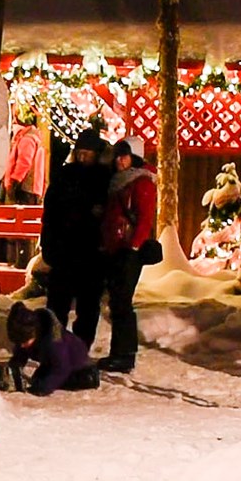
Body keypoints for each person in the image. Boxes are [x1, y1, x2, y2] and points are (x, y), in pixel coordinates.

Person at [38, 128, 111, 344]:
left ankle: (80, 347)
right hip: (64, 249)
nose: (82, 157)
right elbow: (50, 212)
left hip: (91, 252)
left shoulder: (103, 178)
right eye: (80, 152)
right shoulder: (64, 175)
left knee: (88, 306)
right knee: (57, 303)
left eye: (87, 153)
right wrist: (48, 245)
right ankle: (53, 344)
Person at [96, 136, 158, 375]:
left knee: (122, 302)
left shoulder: (141, 183)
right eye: (118, 156)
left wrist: (134, 246)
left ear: (135, 157)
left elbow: (145, 218)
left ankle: (125, 354)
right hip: (115, 248)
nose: (119, 161)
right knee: (117, 301)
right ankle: (119, 353)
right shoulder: (119, 182)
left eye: (124, 156)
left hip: (129, 251)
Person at [0, 302, 99, 396]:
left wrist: (42, 388)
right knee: (37, 380)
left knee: (44, 384)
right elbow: (20, 355)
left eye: (24, 342)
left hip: (81, 371)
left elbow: (61, 369)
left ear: (34, 333)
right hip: (52, 364)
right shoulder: (30, 335)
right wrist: (15, 368)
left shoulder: (54, 342)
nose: (22, 345)